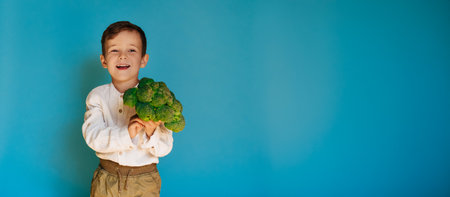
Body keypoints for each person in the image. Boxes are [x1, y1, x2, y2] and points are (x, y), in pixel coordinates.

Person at [82, 21, 173, 197]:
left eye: (131, 50)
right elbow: (93, 138)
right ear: (103, 60)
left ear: (143, 60)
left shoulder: (157, 99)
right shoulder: (97, 96)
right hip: (106, 180)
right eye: (114, 50)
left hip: (144, 180)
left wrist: (152, 132)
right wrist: (127, 132)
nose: (123, 56)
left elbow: (165, 149)